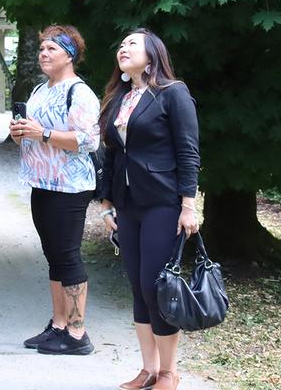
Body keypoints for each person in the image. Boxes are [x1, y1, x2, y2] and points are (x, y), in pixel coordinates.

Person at [97, 29, 201, 390]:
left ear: (152, 55)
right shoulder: (119, 97)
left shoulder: (173, 94)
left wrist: (188, 206)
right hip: (127, 205)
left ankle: (169, 371)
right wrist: (106, 203)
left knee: (155, 285)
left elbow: (188, 151)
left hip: (162, 201)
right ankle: (148, 370)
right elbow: (111, 152)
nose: (123, 48)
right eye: (121, 44)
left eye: (131, 44)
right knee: (136, 286)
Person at [10, 25, 103, 356]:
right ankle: (59, 325)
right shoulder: (39, 89)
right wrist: (22, 133)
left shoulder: (79, 93)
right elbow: (34, 132)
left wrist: (43, 133)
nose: (44, 54)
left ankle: (78, 333)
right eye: (42, 49)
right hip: (42, 182)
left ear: (70, 55)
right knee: (54, 257)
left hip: (69, 187)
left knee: (68, 255)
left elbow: (89, 140)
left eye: (52, 49)